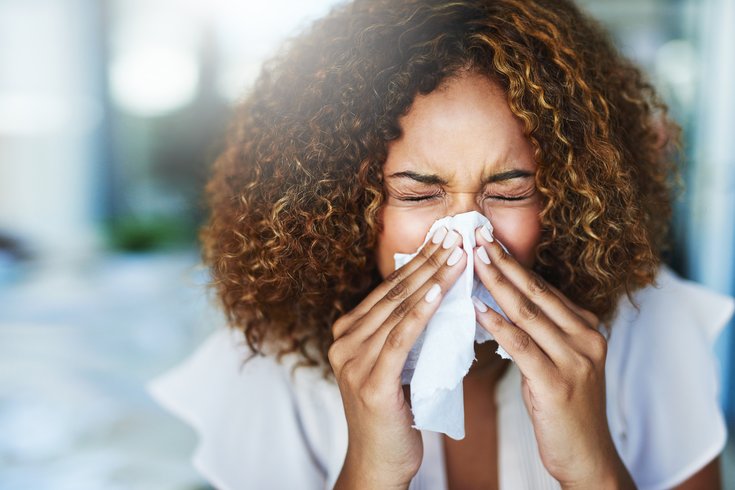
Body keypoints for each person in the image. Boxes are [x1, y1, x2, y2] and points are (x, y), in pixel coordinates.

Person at [148, 0, 734, 488]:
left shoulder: (651, 330)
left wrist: (592, 469)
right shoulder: (270, 371)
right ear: (344, 207)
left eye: (508, 192)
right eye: (417, 194)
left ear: (567, 200)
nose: (465, 238)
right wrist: (371, 472)